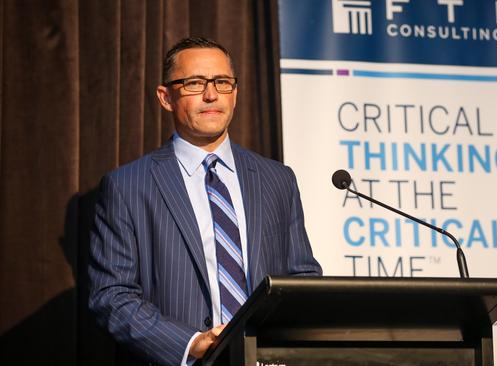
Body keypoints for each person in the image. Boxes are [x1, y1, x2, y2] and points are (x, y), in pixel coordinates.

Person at [88, 37, 322, 366]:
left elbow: (302, 278)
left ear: (235, 92)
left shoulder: (277, 179)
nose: (211, 94)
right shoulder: (127, 186)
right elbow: (112, 295)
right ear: (166, 97)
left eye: (222, 82)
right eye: (195, 83)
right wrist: (191, 343)